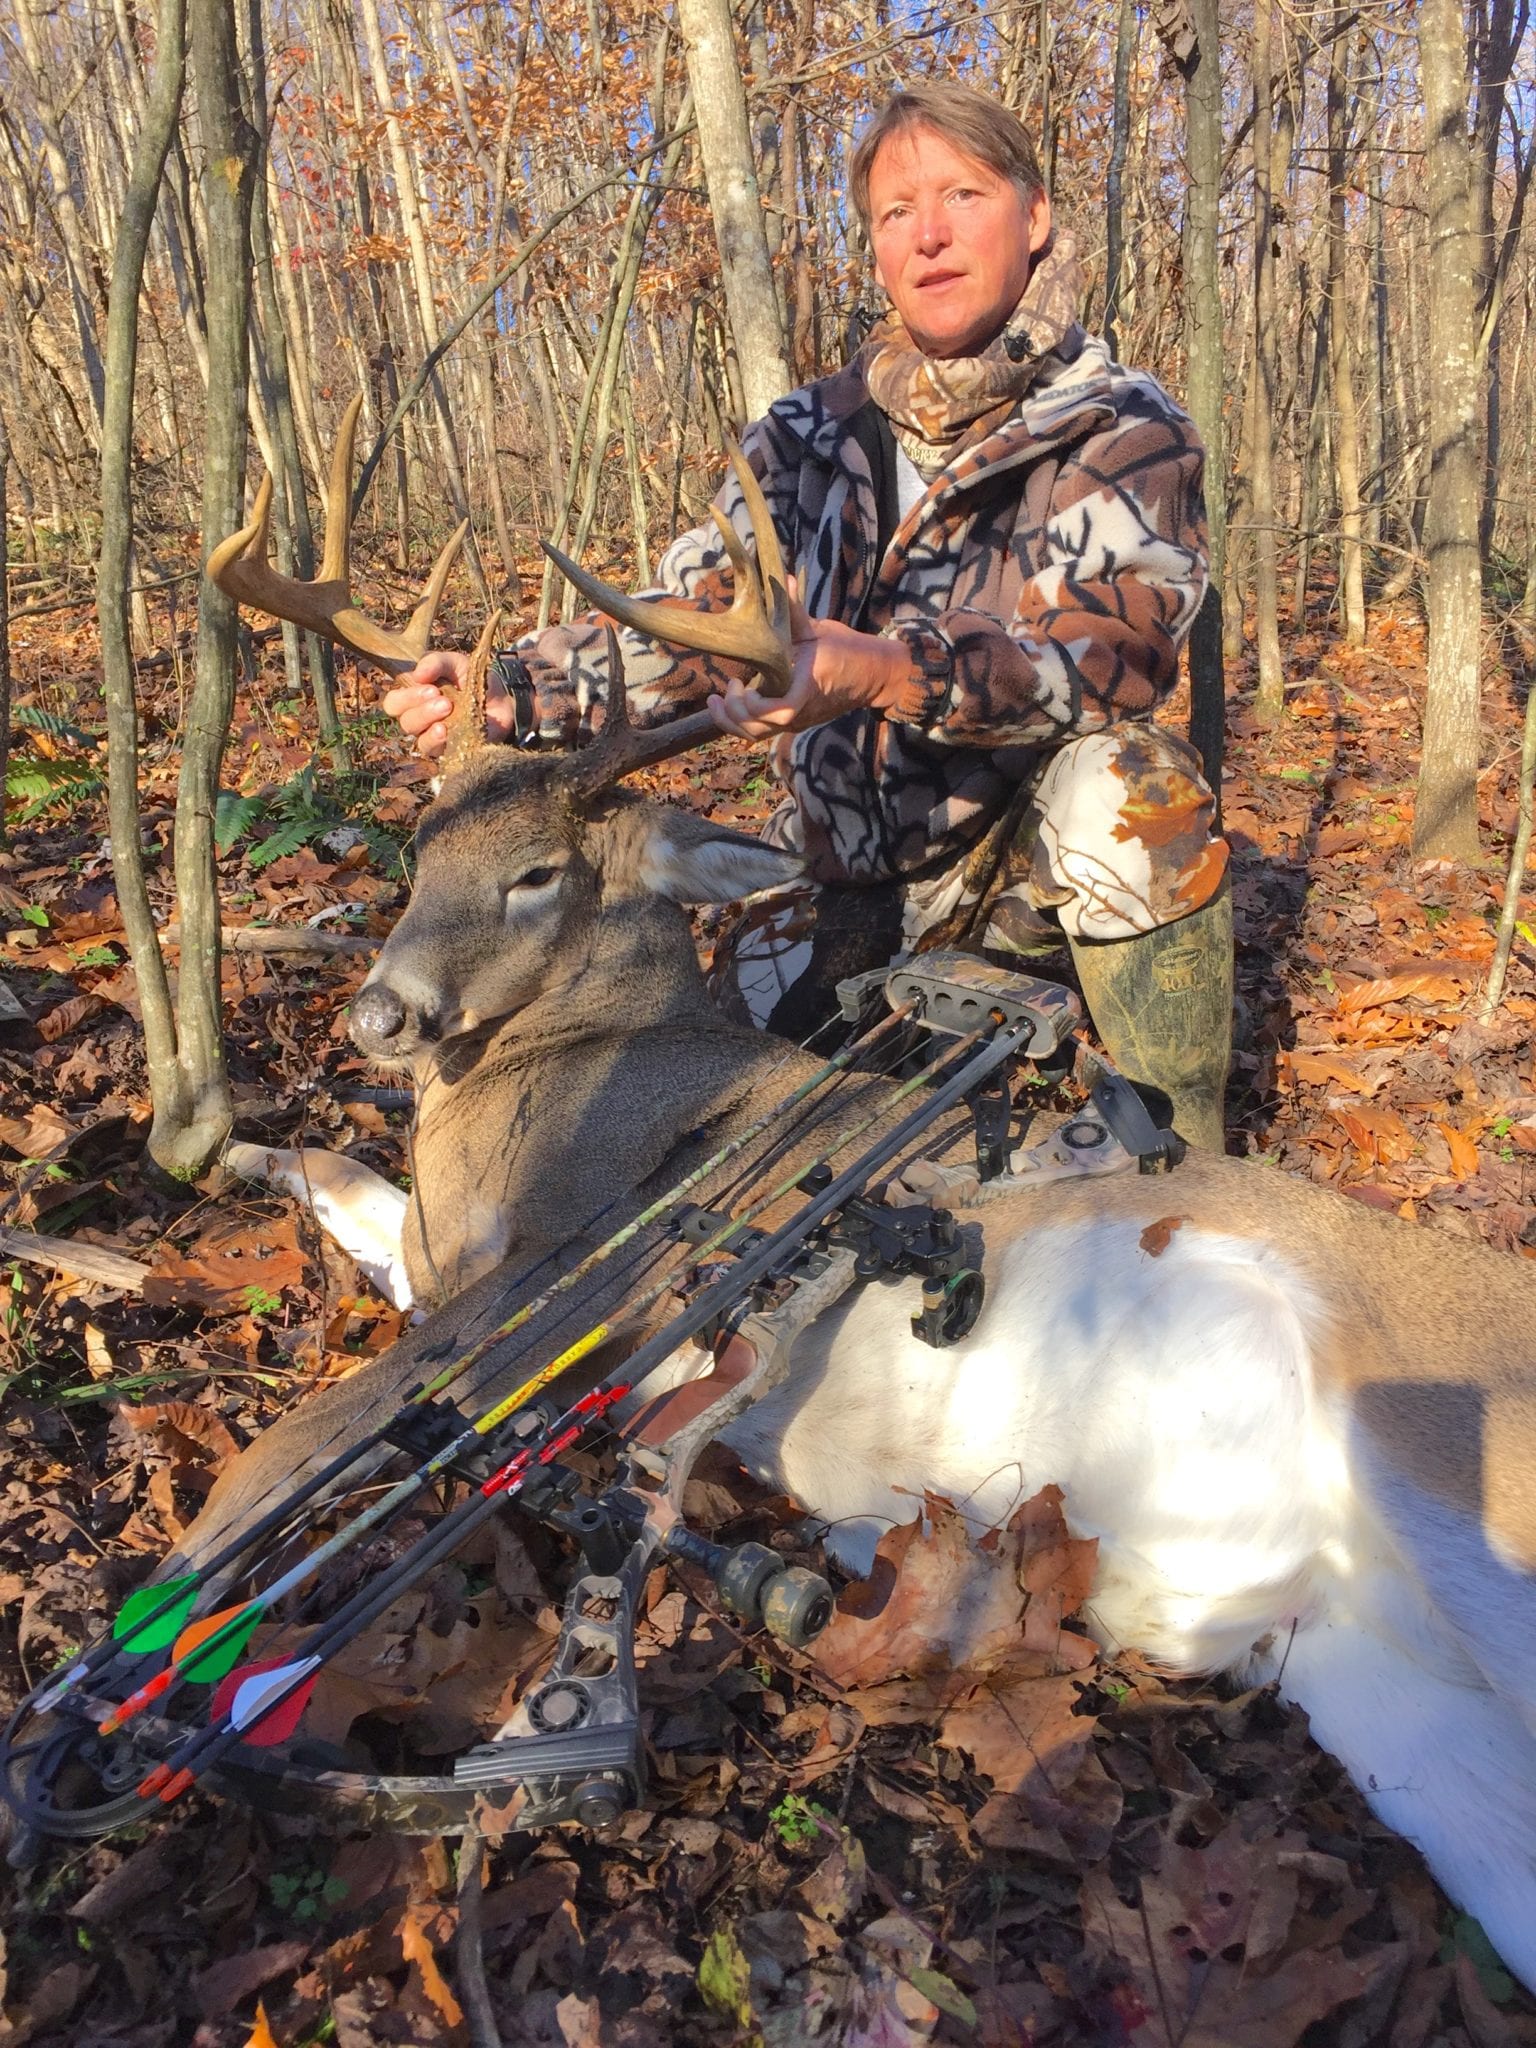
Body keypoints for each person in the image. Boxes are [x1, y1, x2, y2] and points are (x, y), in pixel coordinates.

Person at [385, 81, 1233, 1149]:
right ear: (875, 249)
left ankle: (1184, 1149)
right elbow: (696, 620)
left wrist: (884, 671)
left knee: (1135, 792)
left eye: (963, 196)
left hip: (1029, 863)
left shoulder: (1119, 429)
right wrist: (517, 688)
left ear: (1035, 216)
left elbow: (1108, 657)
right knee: (736, 1122)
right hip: (838, 871)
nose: (928, 235)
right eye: (895, 212)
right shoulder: (801, 438)